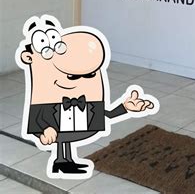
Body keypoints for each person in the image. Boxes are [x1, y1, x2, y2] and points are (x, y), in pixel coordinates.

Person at [16, 15, 158, 179]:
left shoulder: (87, 101)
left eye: (89, 75)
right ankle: (62, 161)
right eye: (72, 76)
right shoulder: (45, 101)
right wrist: (44, 129)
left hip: (76, 124)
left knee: (66, 138)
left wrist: (125, 108)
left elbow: (104, 115)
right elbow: (38, 117)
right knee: (63, 136)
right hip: (55, 127)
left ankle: (64, 161)